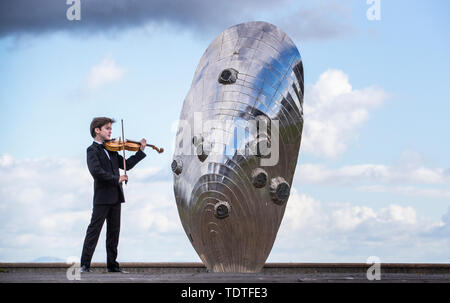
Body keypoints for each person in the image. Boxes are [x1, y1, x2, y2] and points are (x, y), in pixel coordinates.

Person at [80, 117, 147, 273]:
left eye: (111, 128)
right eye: (107, 128)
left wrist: (140, 151)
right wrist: (117, 178)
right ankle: (84, 264)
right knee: (94, 230)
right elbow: (96, 172)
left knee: (114, 232)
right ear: (97, 130)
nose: (111, 131)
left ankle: (112, 265)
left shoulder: (111, 149)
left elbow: (127, 165)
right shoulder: (92, 150)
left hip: (116, 196)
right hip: (102, 197)